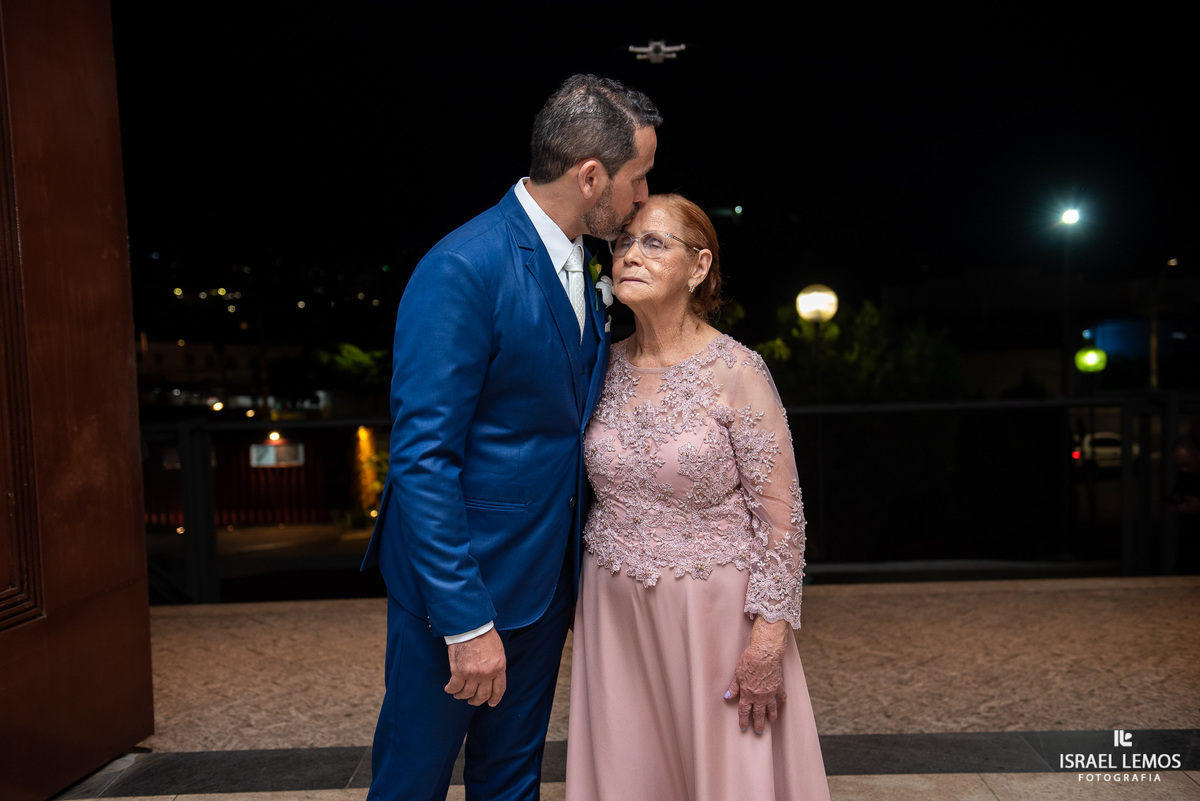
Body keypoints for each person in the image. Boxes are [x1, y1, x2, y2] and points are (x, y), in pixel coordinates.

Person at [361, 74, 661, 801]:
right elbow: (423, 459)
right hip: (459, 594)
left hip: (542, 583)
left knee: (509, 782)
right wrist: (464, 622)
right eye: (638, 177)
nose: (644, 197)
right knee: (413, 782)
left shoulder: (581, 262)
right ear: (591, 176)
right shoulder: (464, 268)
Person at [565, 195, 831, 800]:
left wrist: (768, 640)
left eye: (653, 242)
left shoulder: (737, 371)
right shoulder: (596, 368)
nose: (629, 254)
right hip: (615, 615)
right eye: (623, 242)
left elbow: (783, 523)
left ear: (699, 265)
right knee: (631, 768)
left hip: (718, 619)